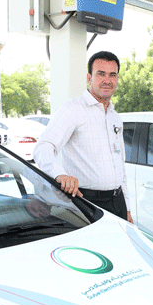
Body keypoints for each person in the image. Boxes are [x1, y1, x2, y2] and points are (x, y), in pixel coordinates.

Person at [33, 51, 132, 222]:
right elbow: (43, 148)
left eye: (112, 75)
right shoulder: (72, 110)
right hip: (87, 202)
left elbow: (120, 168)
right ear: (89, 77)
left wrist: (127, 209)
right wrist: (60, 175)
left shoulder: (115, 117)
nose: (107, 80)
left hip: (118, 201)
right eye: (101, 74)